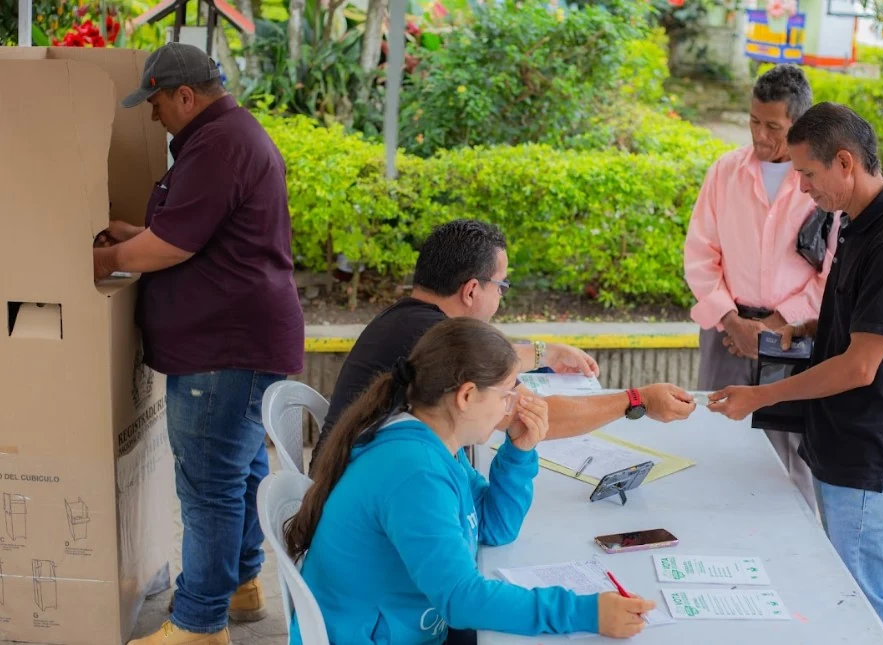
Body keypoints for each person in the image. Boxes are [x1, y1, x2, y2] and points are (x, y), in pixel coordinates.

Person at [709, 103, 883, 645]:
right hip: (841, 441)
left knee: (865, 611)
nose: (802, 187)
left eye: (808, 173)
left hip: (871, 456)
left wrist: (761, 396)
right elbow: (868, 318)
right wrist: (810, 326)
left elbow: (861, 366)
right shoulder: (858, 222)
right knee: (843, 598)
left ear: (845, 162)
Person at [93, 43, 304, 645]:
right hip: (240, 343)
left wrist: (105, 258)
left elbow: (173, 247)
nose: (153, 114)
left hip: (223, 348)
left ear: (185, 95)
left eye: (156, 101)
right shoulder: (229, 137)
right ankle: (240, 585)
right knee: (238, 474)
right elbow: (199, 231)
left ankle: (198, 624)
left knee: (209, 488)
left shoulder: (218, 144)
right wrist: (137, 233)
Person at [287, 317, 655, 644]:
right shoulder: (415, 472)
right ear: (466, 396)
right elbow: (462, 600)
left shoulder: (437, 442)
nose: (511, 406)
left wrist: (519, 451)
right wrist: (586, 613)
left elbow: (493, 526)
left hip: (408, 624)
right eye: (507, 394)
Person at [309, 219, 696, 471]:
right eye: (501, 286)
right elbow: (535, 416)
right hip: (367, 508)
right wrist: (636, 400)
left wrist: (545, 352)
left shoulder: (410, 319)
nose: (501, 297)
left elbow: (487, 357)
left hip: (352, 480)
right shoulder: (439, 341)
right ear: (471, 290)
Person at [683, 64, 836, 512]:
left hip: (794, 339)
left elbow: (831, 273)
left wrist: (774, 325)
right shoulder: (724, 172)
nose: (759, 135)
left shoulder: (819, 183)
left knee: (788, 453)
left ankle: (792, 544)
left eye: (773, 127)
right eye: (753, 121)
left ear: (800, 125)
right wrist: (733, 321)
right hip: (725, 334)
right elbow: (700, 253)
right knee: (716, 439)